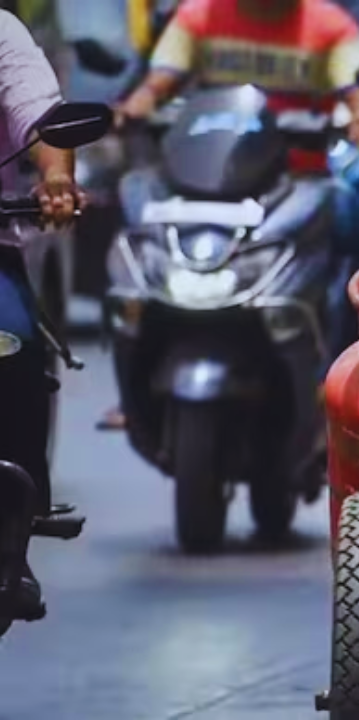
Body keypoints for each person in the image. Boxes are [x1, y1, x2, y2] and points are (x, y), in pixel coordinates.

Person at [101, 0, 359, 428]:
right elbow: (158, 83)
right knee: (134, 240)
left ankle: (345, 371)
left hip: (297, 183)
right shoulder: (199, 16)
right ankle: (133, 388)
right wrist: (136, 106)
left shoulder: (328, 24)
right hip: (207, 180)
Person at [0, 8, 88, 620]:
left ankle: (12, 535)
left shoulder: (2, 35)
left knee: (16, 345)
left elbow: (44, 121)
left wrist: (55, 178)